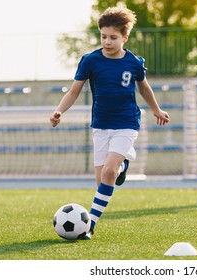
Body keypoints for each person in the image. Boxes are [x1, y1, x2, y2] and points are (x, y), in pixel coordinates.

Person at [49, 7, 170, 239]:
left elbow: (143, 87)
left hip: (126, 123)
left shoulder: (134, 62)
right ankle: (123, 166)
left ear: (124, 37)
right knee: (103, 180)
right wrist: (59, 110)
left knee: (109, 172)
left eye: (113, 37)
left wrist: (156, 109)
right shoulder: (90, 61)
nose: (107, 41)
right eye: (103, 36)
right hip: (101, 125)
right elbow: (74, 91)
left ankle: (90, 225)